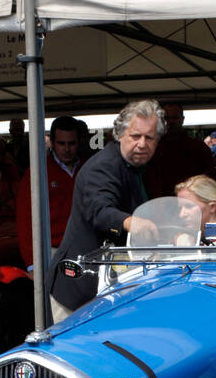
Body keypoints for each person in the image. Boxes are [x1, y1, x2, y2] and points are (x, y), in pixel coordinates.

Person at [48, 98, 165, 320]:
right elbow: (99, 211)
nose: (142, 143)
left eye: (149, 137)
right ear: (119, 134)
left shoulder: (141, 167)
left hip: (115, 286)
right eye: (135, 136)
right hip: (80, 290)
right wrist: (131, 222)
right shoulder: (103, 166)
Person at [15, 116, 80, 266]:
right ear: (51, 142)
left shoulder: (88, 168)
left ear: (79, 142)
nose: (67, 149)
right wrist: (31, 263)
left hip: (87, 249)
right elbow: (25, 220)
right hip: (52, 251)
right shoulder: (37, 172)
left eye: (71, 143)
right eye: (61, 143)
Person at [145, 101, 215, 198]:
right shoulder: (153, 148)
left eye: (175, 117)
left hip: (191, 203)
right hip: (160, 205)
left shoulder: (198, 147)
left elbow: (210, 178)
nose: (171, 122)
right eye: (167, 118)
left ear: (182, 119)